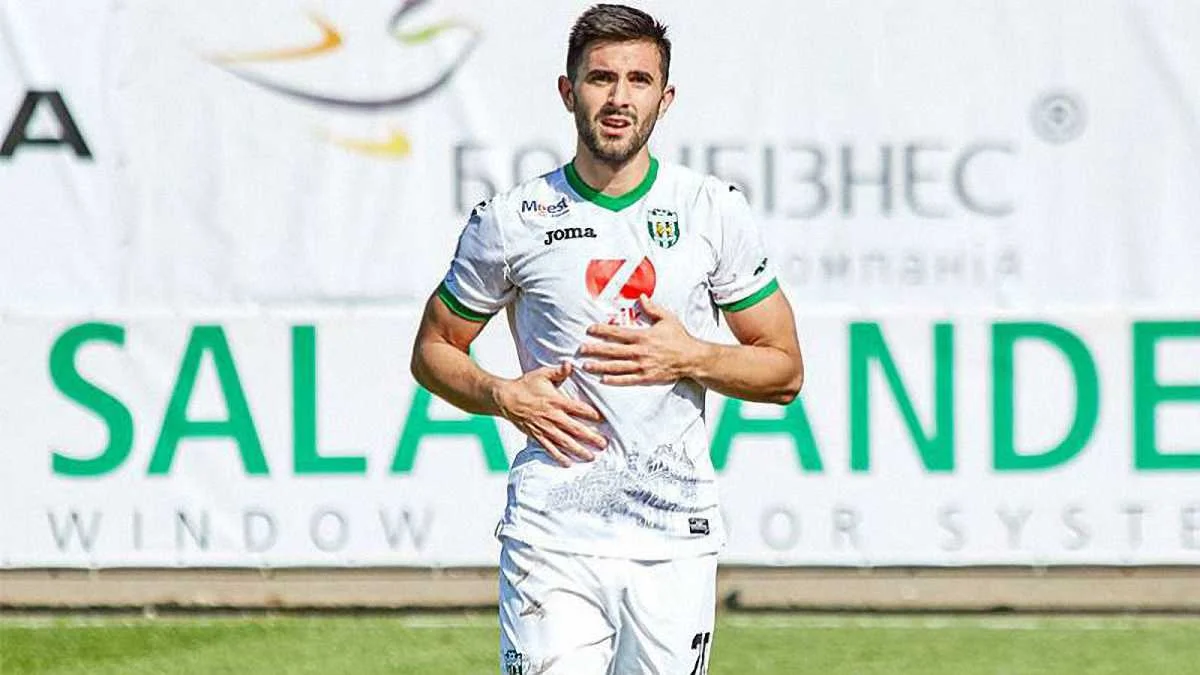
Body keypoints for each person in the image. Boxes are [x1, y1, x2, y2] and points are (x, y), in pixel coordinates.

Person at [410, 4, 803, 673]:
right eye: (601, 78)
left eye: (639, 80)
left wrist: (692, 355)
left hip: (674, 538)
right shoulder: (512, 219)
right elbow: (433, 349)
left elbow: (784, 370)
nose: (620, 97)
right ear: (568, 92)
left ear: (665, 99)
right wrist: (502, 394)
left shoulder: (710, 209)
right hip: (552, 535)